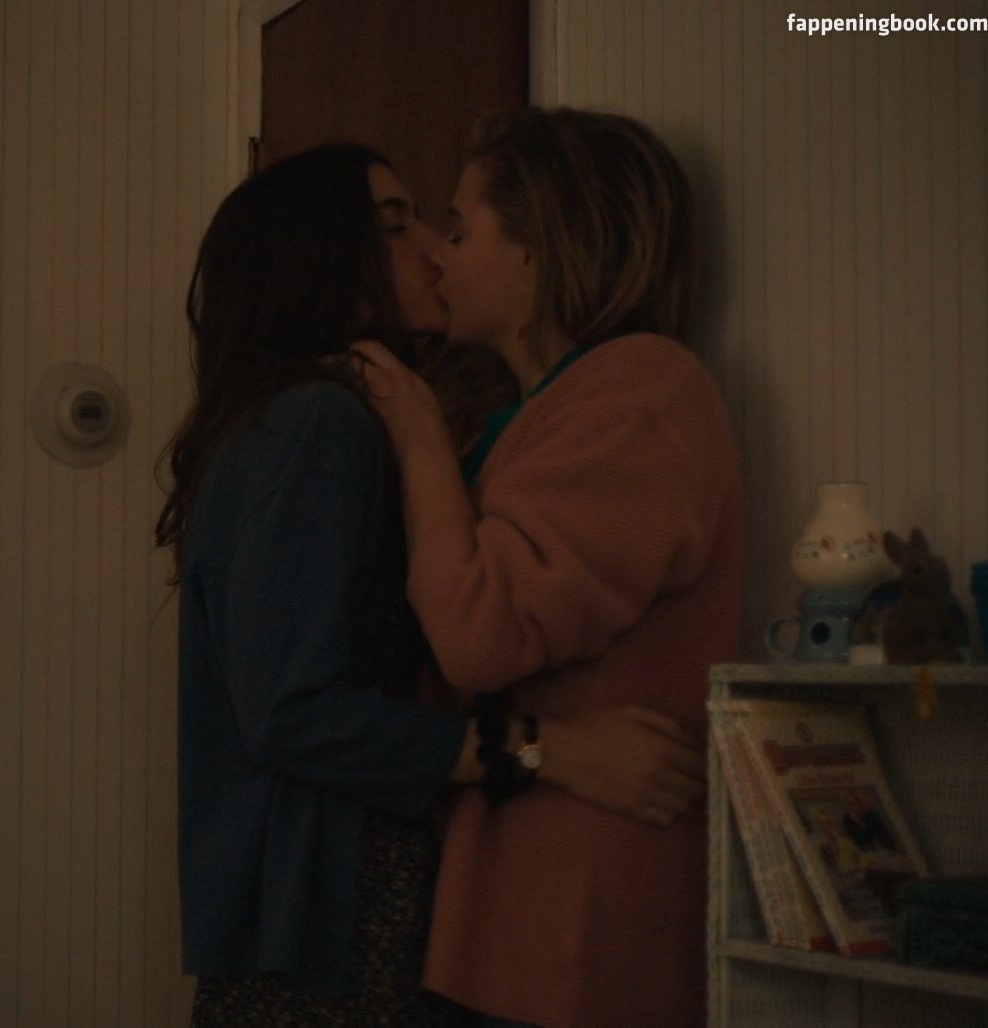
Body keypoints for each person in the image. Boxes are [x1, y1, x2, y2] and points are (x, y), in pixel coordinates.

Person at [161, 142, 709, 1027]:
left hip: (326, 913)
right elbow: (293, 711)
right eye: (397, 225)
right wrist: (551, 750)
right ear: (320, 257)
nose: (431, 248)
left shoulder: (322, 421)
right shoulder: (318, 424)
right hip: (330, 918)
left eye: (441, 223)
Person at [351, 108, 745, 1027]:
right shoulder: (535, 412)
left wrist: (418, 442)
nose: (438, 255)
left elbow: (476, 633)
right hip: (505, 912)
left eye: (460, 229)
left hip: (573, 927)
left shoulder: (641, 390)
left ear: (536, 248)